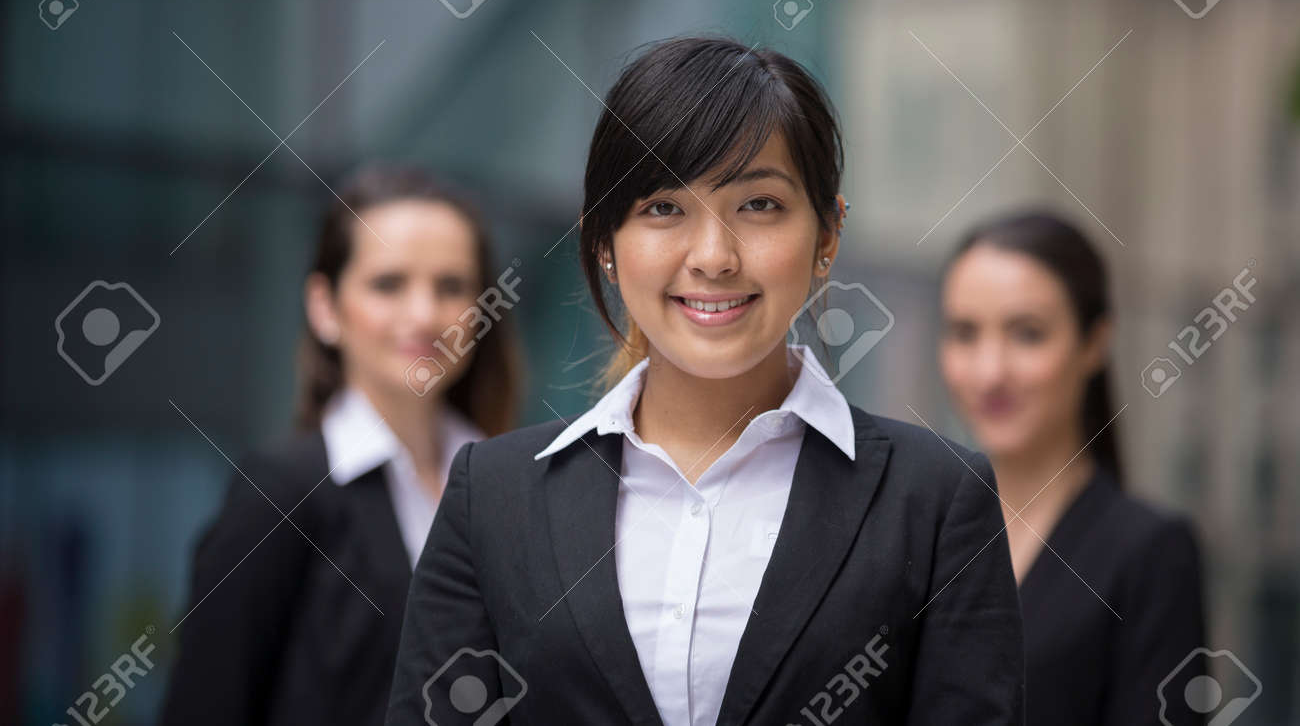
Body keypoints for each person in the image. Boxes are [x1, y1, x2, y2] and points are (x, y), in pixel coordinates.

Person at [385, 37, 1023, 725]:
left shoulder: (934, 501)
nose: (714, 257)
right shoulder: (494, 498)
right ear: (603, 240)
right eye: (664, 207)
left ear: (828, 235)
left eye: (759, 205)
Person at [160, 165, 524, 726]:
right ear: (325, 307)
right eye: (388, 284)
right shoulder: (280, 493)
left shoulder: (513, 488)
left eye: (451, 286)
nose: (424, 315)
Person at [938, 209, 1206, 725]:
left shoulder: (1149, 555)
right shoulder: (923, 527)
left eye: (1028, 334)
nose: (990, 371)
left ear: (1094, 343)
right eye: (965, 333)